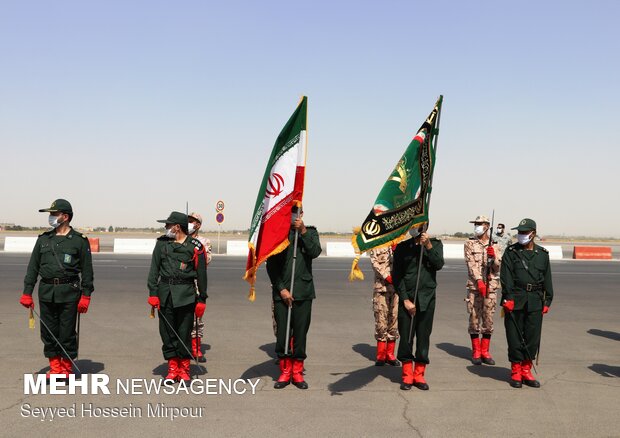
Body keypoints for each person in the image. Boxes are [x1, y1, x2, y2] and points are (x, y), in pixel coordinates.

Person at [19, 199, 94, 379]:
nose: (51, 217)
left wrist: (86, 295)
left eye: (54, 214)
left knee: (67, 331)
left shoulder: (79, 241)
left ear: (65, 216)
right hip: (46, 291)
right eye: (50, 214)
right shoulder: (43, 239)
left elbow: (87, 271)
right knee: (48, 331)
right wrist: (27, 292)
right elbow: (33, 268)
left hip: (69, 292)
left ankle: (66, 368)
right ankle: (55, 367)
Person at [147, 211, 208, 382]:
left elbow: (201, 275)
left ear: (177, 227)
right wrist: (153, 293)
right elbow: (153, 271)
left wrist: (202, 299)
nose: (165, 228)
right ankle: (173, 368)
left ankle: (185, 369)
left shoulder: (195, 246)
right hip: (165, 294)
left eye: (168, 225)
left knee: (184, 333)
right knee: (167, 333)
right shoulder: (161, 244)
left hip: (186, 295)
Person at [266, 204, 322, 389]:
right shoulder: (278, 234)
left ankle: (297, 372)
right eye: (290, 212)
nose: (293, 216)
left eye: (297, 212)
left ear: (302, 214)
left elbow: (315, 252)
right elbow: (271, 266)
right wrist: (281, 289)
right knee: (282, 334)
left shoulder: (311, 232)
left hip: (303, 292)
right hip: (282, 293)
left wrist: (303, 231)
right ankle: (285, 371)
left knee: (300, 334)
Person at [500, 218, 553, 388]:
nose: (521, 235)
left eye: (524, 232)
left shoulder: (542, 255)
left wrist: (548, 300)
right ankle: (515, 370)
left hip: (535, 300)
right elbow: (505, 276)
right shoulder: (511, 252)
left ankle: (526, 370)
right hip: (515, 299)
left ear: (533, 234)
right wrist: (507, 297)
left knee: (532, 337)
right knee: (514, 336)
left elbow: (547, 278)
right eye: (519, 232)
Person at [393, 227, 444, 390]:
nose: (414, 228)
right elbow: (397, 275)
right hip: (407, 300)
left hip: (427, 299)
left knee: (423, 337)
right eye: (412, 225)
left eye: (418, 225)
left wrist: (428, 245)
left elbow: (438, 264)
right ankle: (407, 375)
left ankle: (419, 375)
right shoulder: (402, 247)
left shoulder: (435, 244)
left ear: (425, 226)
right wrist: (405, 300)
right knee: (406, 337)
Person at [464, 215, 501, 365]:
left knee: (488, 319)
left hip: (490, 288)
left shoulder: (495, 244)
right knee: (474, 319)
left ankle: (485, 351)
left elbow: (498, 267)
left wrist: (494, 258)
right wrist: (479, 281)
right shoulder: (469, 243)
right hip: (475, 287)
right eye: (475, 224)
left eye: (479, 224)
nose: (476, 226)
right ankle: (476, 351)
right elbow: (470, 263)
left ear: (486, 226)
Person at [368, 245, 399, 366]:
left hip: (397, 289)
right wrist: (387, 276)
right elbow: (375, 263)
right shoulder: (377, 245)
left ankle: (390, 354)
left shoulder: (399, 245)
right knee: (381, 321)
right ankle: (381, 355)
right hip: (382, 288)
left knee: (394, 321)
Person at [188, 212, 212, 363]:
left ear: (198, 225)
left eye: (193, 221)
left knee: (197, 318)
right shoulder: (181, 239)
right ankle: (184, 347)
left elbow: (206, 259)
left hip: (197, 284)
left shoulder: (204, 241)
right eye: (188, 221)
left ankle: (196, 349)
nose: (190, 223)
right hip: (182, 284)